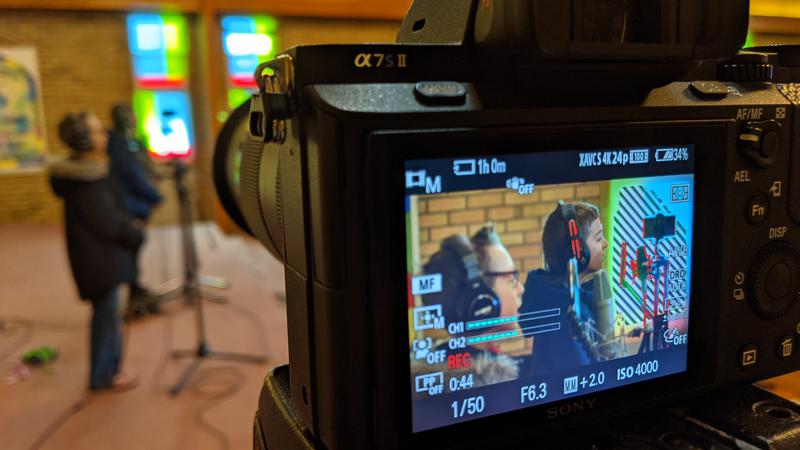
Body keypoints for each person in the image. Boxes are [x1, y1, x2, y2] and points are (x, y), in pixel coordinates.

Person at [49, 111, 141, 391]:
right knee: (106, 318)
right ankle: (103, 377)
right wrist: (134, 232)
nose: (104, 136)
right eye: (97, 131)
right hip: (99, 261)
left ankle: (108, 372)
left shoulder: (86, 177)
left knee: (107, 315)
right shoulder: (88, 183)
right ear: (84, 140)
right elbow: (108, 223)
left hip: (97, 258)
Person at [414, 225, 526, 388]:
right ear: (479, 298)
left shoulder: (431, 371)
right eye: (512, 279)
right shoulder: (498, 389)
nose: (521, 289)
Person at [519, 201, 609, 377]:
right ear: (579, 252)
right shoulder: (568, 316)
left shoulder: (561, 299)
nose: (605, 243)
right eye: (598, 238)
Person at [107, 104, 162, 317]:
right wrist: (154, 196)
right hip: (127, 204)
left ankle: (135, 287)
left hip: (137, 202)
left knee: (135, 245)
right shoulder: (118, 144)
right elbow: (131, 175)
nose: (131, 119)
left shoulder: (133, 142)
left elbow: (144, 167)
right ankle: (133, 290)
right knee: (131, 246)